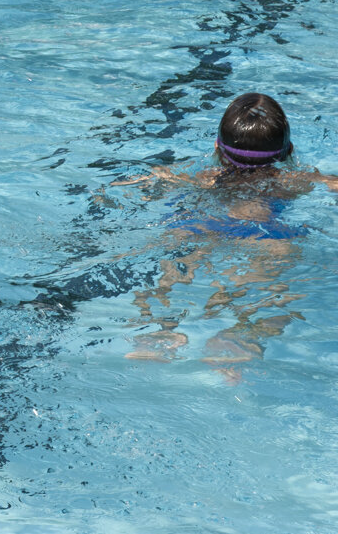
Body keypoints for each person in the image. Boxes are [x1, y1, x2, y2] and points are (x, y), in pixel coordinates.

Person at [117, 93, 335, 380]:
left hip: (204, 226)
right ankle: (242, 334)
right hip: (265, 234)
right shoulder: (295, 179)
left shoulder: (203, 176)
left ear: (217, 149)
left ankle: (160, 329)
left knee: (170, 275)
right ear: (288, 150)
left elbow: (151, 179)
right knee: (277, 293)